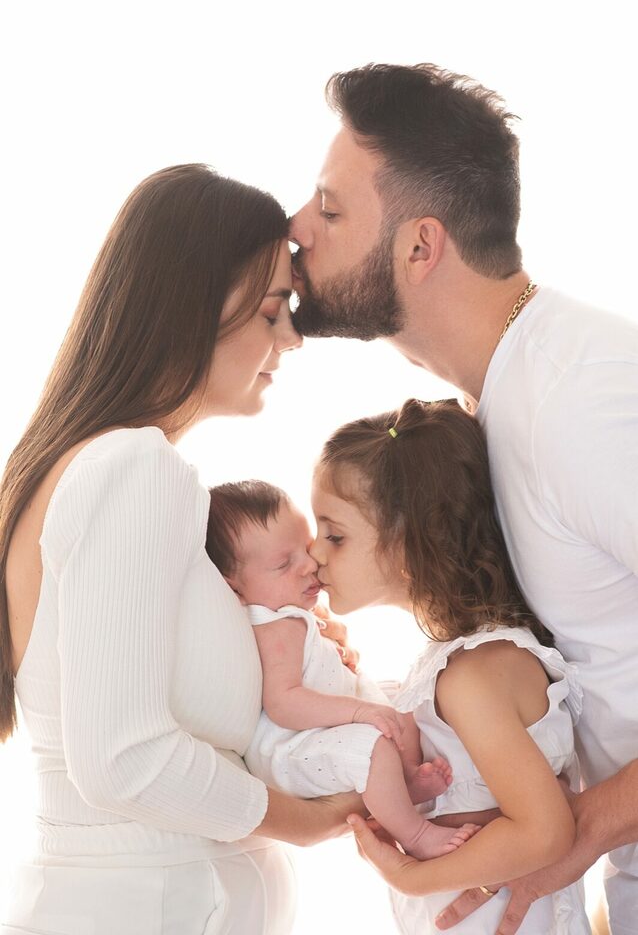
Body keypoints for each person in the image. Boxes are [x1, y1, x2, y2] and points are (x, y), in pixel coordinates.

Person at [289, 63, 638, 935]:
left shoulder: (582, 402)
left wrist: (572, 833)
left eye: (330, 209)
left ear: (421, 246)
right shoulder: (499, 409)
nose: (296, 228)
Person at [0, 163, 364, 935]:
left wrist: (281, 652)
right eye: (272, 311)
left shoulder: (82, 467)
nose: (291, 338)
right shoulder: (135, 466)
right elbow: (123, 757)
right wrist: (308, 820)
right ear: (193, 305)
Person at [311, 397, 590, 934]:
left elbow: (545, 832)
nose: (314, 553)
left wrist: (411, 877)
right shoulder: (452, 665)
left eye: (335, 535)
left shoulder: (473, 675)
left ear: (409, 545)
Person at [206, 479, 479, 861]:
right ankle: (415, 833)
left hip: (325, 727)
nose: (309, 565)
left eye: (305, 548)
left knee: (406, 699)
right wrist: (360, 711)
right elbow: (284, 704)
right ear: (234, 589)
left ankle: (404, 781)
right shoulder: (273, 627)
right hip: (292, 749)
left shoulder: (290, 612)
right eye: (284, 564)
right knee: (373, 747)